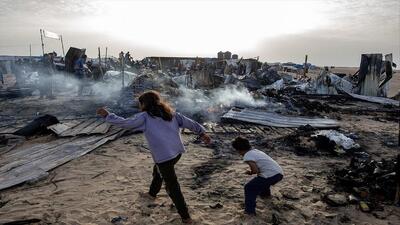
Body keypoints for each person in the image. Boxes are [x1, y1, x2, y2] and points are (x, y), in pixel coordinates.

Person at [96, 91, 211, 224]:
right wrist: (202, 133)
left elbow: (126, 123)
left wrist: (108, 115)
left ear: (144, 104)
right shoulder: (171, 113)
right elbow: (190, 123)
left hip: (164, 156)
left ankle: (186, 217)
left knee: (172, 186)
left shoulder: (144, 117)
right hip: (176, 153)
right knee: (158, 171)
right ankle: (152, 194)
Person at [232, 137, 283, 215]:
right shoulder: (256, 151)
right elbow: (260, 168)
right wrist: (255, 171)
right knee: (262, 179)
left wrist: (250, 172)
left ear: (239, 150)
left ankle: (249, 211)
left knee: (249, 187)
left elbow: (255, 170)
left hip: (271, 175)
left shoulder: (247, 156)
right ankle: (265, 195)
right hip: (278, 173)